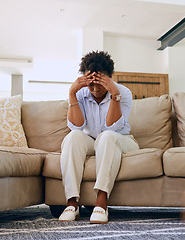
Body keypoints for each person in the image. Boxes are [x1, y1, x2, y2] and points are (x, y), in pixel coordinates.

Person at [58, 51, 139, 224]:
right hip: (93, 141)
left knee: (107, 136)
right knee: (73, 137)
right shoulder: (80, 94)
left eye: (100, 85)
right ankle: (72, 203)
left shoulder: (122, 92)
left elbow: (113, 127)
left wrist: (114, 94)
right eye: (91, 85)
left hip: (121, 140)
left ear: (109, 77)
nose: (95, 90)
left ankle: (101, 203)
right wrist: (72, 93)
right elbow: (76, 126)